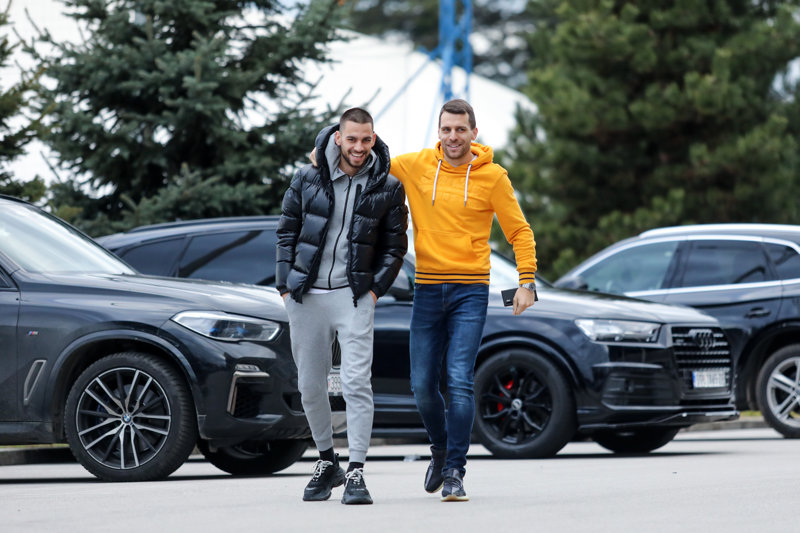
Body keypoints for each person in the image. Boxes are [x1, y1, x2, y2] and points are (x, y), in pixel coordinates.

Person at [391, 99, 537, 502]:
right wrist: (325, 149)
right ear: (438, 132)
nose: (453, 137)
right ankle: (440, 450)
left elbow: (520, 232)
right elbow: (364, 157)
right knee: (421, 385)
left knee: (458, 379)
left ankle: (455, 470)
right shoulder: (415, 165)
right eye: (446, 129)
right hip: (427, 289)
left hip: (470, 291)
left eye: (460, 129)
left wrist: (526, 282)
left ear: (474, 132)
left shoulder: (493, 177)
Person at [276, 107, 408, 505]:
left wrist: (373, 292)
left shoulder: (388, 186)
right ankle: (326, 461)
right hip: (307, 297)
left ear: (373, 139)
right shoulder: (307, 177)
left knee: (355, 384)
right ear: (338, 137)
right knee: (310, 385)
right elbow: (286, 232)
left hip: (353, 297)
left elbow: (395, 248)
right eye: (352, 139)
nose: (358, 147)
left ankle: (356, 471)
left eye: (366, 139)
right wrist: (285, 286)